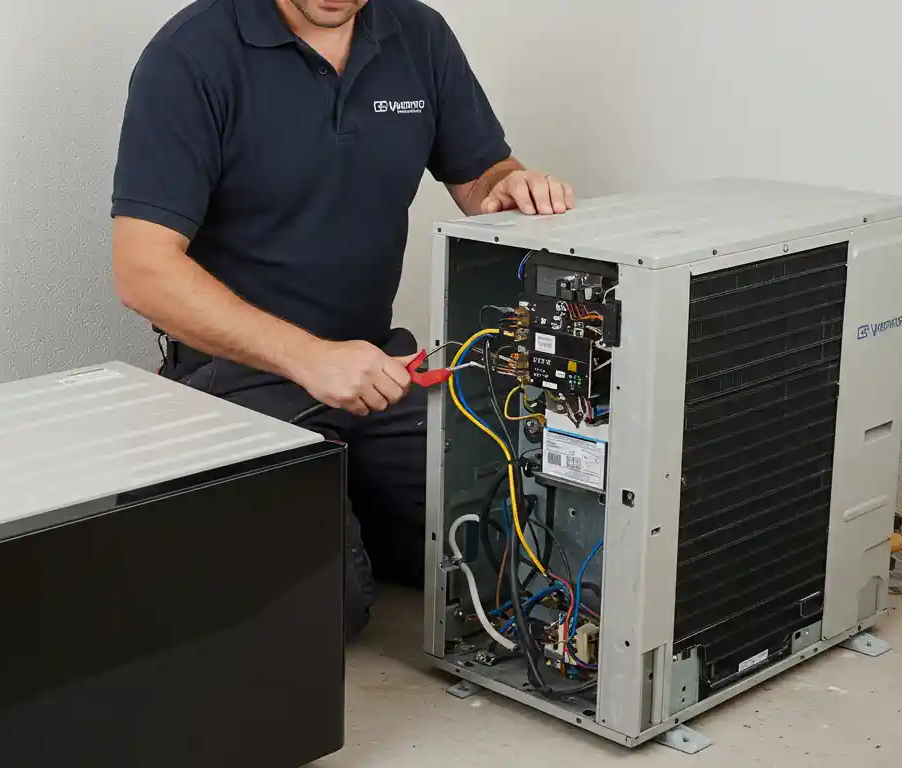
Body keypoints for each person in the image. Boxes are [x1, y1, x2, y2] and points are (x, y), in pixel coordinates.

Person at [110, 0, 574, 638]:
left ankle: (335, 499)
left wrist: (512, 187)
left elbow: (481, 179)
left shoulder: (419, 34)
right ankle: (258, 505)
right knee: (328, 613)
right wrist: (308, 357)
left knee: (520, 550)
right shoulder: (191, 54)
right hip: (240, 385)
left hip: (377, 372)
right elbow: (142, 270)